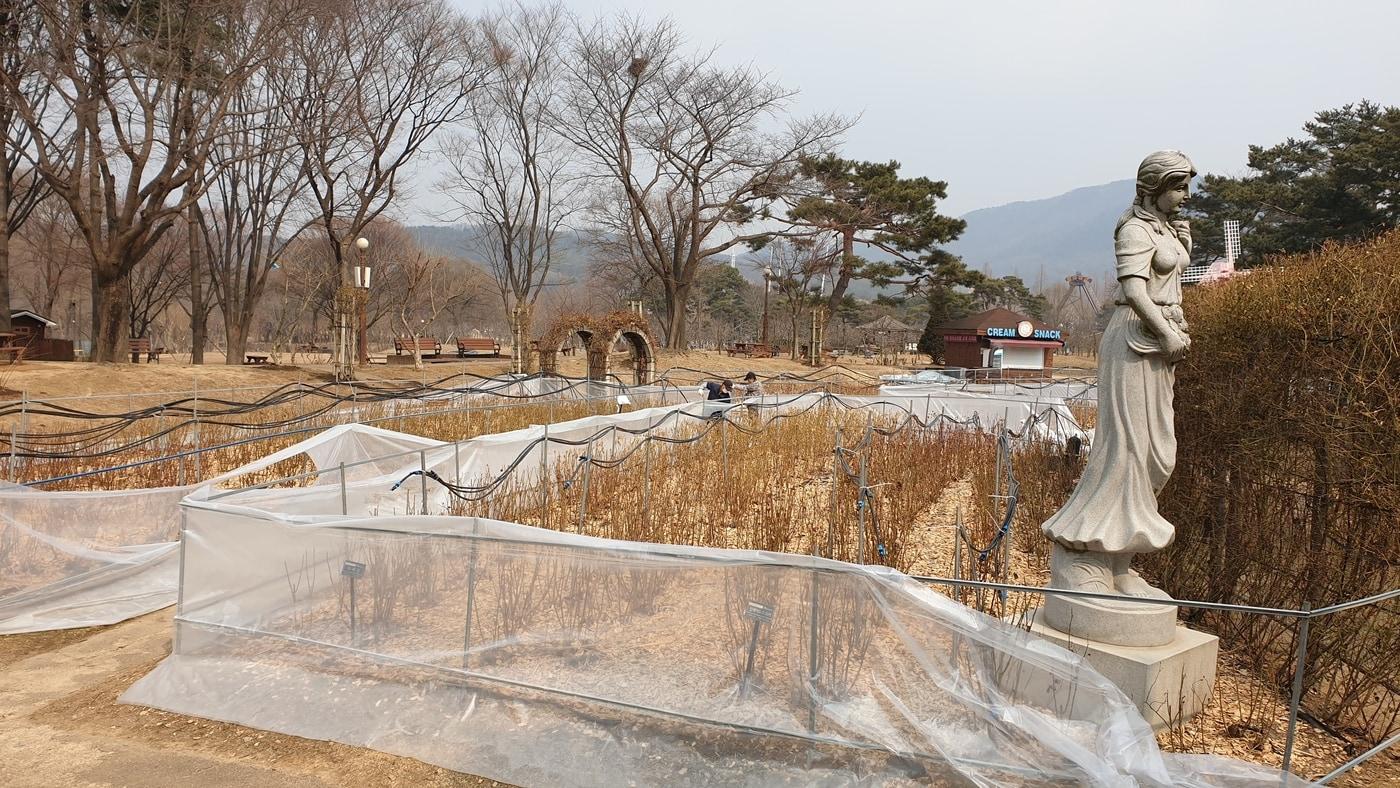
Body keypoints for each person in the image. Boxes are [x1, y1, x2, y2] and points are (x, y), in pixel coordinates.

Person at [1040, 150, 1195, 601]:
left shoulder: (1166, 228)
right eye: (1178, 187)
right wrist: (1165, 332)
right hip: (1135, 337)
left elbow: (1171, 275)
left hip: (1161, 343)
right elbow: (1133, 290)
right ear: (1154, 187)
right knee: (1126, 447)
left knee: (1157, 454)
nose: (1185, 196)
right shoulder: (1134, 228)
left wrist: (1182, 237)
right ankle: (1085, 553)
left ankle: (1121, 560)